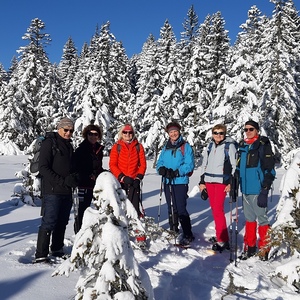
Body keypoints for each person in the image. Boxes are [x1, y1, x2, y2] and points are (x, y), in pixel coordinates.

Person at [34, 117, 78, 263]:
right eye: (66, 130)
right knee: (49, 221)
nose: (68, 133)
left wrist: (73, 177)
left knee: (62, 221)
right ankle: (41, 254)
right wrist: (61, 181)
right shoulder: (50, 143)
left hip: (66, 191)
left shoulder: (69, 145)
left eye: (71, 130)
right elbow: (43, 168)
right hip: (52, 190)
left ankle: (57, 249)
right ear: (59, 128)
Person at [236, 120, 276, 261]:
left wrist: (265, 189)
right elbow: (239, 168)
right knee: (249, 219)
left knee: (263, 219)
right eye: (246, 129)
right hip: (245, 190)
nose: (248, 131)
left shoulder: (263, 145)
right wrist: (235, 180)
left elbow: (270, 169)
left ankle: (264, 249)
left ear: (257, 130)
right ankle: (250, 247)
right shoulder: (243, 146)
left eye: (251, 129)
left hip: (258, 190)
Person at [199, 124, 237, 252]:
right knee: (215, 210)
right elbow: (204, 164)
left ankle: (223, 239)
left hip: (221, 181)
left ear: (224, 134)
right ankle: (219, 235)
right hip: (209, 181)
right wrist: (202, 181)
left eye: (221, 133)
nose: (218, 135)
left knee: (218, 210)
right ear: (212, 134)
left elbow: (234, 166)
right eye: (215, 132)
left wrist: (231, 183)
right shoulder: (209, 146)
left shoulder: (229, 146)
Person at [156, 121, 195, 246]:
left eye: (175, 131)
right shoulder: (165, 147)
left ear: (179, 132)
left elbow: (189, 165)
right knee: (171, 207)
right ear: (168, 134)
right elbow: (159, 162)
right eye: (171, 132)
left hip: (180, 181)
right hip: (167, 181)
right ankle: (173, 229)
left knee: (180, 208)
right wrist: (161, 169)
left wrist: (177, 172)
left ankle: (188, 233)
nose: (173, 134)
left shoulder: (185, 147)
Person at [109, 123, 147, 234]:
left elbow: (143, 164)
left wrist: (138, 178)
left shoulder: (138, 146)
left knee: (134, 207)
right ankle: (121, 229)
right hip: (121, 182)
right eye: (125, 132)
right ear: (121, 133)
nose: (127, 134)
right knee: (120, 206)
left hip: (134, 181)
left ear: (133, 134)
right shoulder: (117, 146)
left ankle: (135, 229)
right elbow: (112, 164)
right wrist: (122, 177)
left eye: (130, 132)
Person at [73, 124, 104, 233]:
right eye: (90, 134)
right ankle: (79, 234)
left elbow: (98, 167)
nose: (93, 136)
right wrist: (87, 175)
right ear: (86, 135)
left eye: (95, 134)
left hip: (96, 185)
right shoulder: (81, 149)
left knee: (99, 210)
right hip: (84, 184)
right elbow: (76, 167)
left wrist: (103, 174)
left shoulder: (99, 149)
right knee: (82, 210)